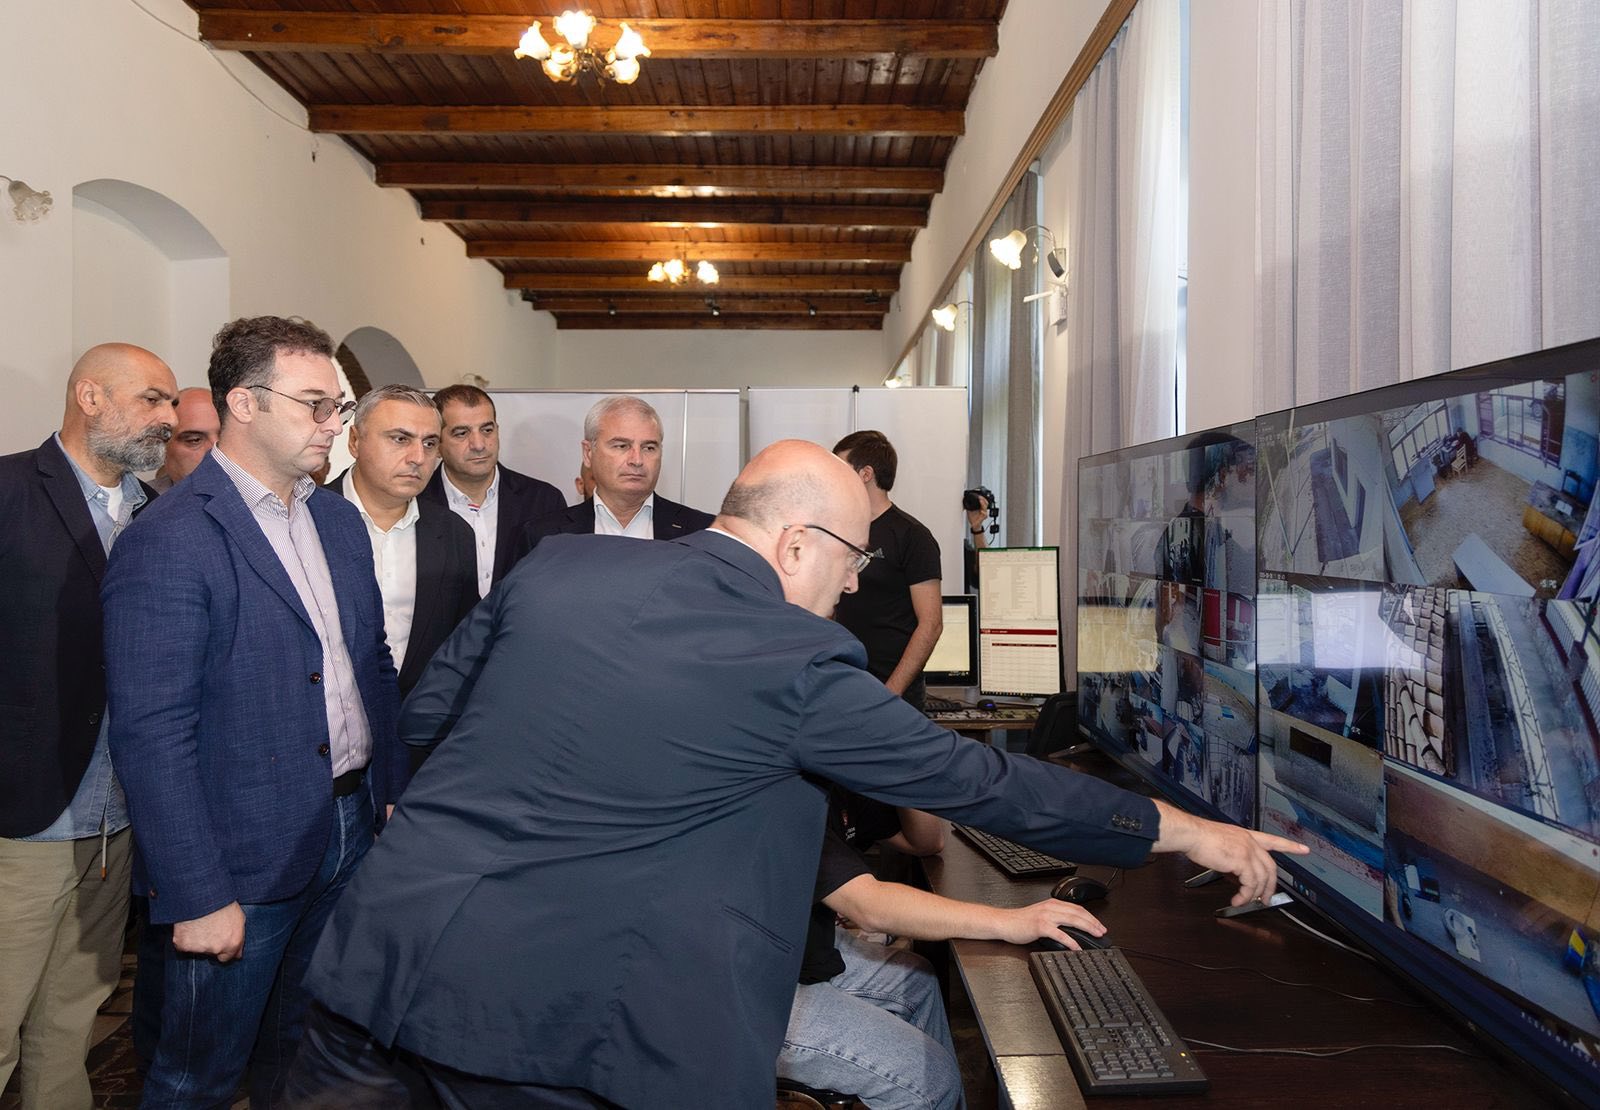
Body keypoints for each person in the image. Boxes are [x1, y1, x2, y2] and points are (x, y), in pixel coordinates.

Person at [283, 439, 1307, 1109]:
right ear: (795, 544)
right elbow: (979, 784)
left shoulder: (559, 566)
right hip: (548, 1027)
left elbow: (424, 715)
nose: (853, 585)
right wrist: (1188, 831)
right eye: (853, 561)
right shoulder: (794, 659)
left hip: (375, 964)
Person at [102, 316, 407, 1108]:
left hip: (346, 827)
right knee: (195, 1078)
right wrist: (196, 893)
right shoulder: (171, 537)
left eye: (338, 406)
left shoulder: (335, 518)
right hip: (237, 851)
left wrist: (389, 793)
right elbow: (152, 735)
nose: (333, 424)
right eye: (315, 404)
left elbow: (369, 664)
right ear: (244, 403)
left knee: (299, 1058)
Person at [0, 343, 176, 1110]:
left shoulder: (160, 516)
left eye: (171, 402)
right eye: (152, 399)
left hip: (115, 823)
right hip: (20, 821)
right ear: (90, 396)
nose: (168, 417)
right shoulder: (9, 490)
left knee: (69, 1027)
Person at [781, 803, 1103, 1109]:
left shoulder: (841, 781)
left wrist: (907, 772)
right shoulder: (787, 793)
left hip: (795, 948)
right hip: (759, 989)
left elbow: (927, 842)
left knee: (916, 978)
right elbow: (870, 908)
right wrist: (1008, 921)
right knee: (930, 1080)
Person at [335, 384, 478, 698]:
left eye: (430, 443)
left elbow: (465, 643)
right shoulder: (306, 519)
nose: (418, 458)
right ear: (355, 441)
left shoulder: (454, 534)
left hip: (418, 719)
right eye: (400, 439)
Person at [832, 430, 943, 710]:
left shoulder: (913, 536)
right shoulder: (839, 530)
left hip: (895, 694)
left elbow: (931, 624)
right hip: (844, 684)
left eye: (841, 469)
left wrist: (890, 693)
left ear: (865, 474)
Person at [519, 395, 714, 551]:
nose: (637, 460)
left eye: (649, 448)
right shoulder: (545, 535)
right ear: (588, 453)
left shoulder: (703, 532)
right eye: (621, 446)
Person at [421, 383, 564, 596]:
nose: (479, 444)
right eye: (461, 433)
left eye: (487, 430)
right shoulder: (415, 503)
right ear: (437, 444)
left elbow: (557, 583)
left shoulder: (543, 500)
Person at [149, 385, 221, 491]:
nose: (218, 452)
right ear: (162, 449)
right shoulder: (141, 499)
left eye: (225, 436)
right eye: (195, 440)